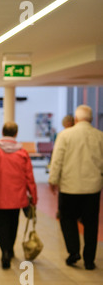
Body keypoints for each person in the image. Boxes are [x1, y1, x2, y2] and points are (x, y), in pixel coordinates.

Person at [0, 122, 37, 269]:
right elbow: (29, 176)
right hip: (18, 195)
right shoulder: (22, 153)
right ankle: (9, 248)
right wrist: (34, 196)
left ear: (2, 132)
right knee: (13, 222)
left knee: (0, 221)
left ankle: (4, 251)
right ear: (16, 133)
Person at [48, 105, 103, 270]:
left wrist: (53, 180)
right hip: (92, 188)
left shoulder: (65, 135)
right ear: (91, 119)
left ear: (76, 119)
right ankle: (89, 260)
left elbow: (57, 159)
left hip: (69, 187)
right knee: (91, 223)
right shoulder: (100, 136)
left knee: (67, 219)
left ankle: (73, 251)